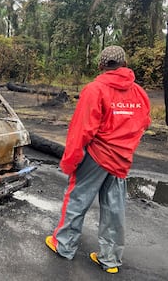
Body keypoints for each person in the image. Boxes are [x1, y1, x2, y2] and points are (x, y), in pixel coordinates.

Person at [45, 45, 151, 274]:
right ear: (124, 64)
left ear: (102, 65)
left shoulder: (95, 89)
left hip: (96, 155)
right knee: (114, 207)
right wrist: (125, 144)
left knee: (77, 199)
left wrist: (70, 161)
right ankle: (110, 259)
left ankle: (63, 245)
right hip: (122, 158)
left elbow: (81, 130)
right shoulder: (139, 93)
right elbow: (144, 123)